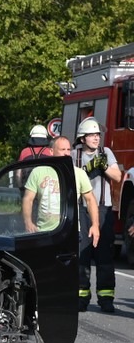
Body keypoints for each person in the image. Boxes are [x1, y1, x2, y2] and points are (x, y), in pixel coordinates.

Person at [71, 117, 122, 313]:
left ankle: (106, 298)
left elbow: (118, 176)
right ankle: (81, 297)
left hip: (103, 210)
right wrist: (86, 169)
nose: (96, 138)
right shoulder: (74, 155)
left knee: (104, 255)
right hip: (80, 209)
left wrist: (104, 167)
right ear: (82, 138)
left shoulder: (105, 153)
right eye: (92, 135)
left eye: (98, 135)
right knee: (82, 253)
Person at [22, 136, 100, 247]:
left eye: (68, 150)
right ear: (51, 151)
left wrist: (95, 225)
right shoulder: (38, 172)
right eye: (62, 150)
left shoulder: (78, 173)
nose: (66, 153)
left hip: (70, 232)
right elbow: (28, 199)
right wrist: (28, 222)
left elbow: (90, 200)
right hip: (44, 232)